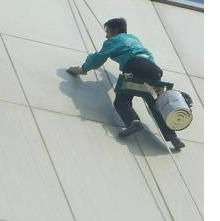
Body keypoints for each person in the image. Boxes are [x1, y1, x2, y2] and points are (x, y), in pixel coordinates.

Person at [67, 17, 185, 150]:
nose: (106, 35)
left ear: (115, 29)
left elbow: (98, 58)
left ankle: (133, 122)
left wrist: (83, 69)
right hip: (154, 71)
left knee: (121, 101)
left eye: (108, 31)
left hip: (135, 66)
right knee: (155, 105)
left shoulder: (113, 41)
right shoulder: (134, 39)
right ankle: (172, 135)